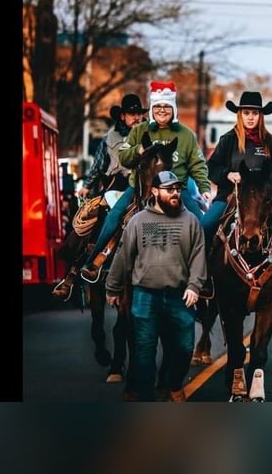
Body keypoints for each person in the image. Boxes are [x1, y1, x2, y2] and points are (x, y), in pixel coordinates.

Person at [80, 81, 212, 283]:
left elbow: (197, 164)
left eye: (166, 107)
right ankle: (94, 262)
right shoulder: (139, 131)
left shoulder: (186, 135)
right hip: (139, 187)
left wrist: (203, 188)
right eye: (157, 107)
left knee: (199, 221)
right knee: (114, 216)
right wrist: (138, 151)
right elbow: (124, 157)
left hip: (177, 190)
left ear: (173, 109)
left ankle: (205, 276)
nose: (161, 111)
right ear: (152, 109)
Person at [200, 91, 272, 296]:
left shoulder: (270, 142)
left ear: (260, 116)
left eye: (254, 113)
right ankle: (203, 277)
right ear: (240, 115)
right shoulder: (228, 140)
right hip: (231, 195)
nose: (250, 117)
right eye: (246, 113)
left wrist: (265, 185)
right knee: (204, 226)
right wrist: (228, 174)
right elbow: (211, 167)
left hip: (264, 198)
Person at [105, 170, 206, 402]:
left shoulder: (190, 220)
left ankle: (173, 384)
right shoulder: (139, 221)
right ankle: (147, 397)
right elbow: (123, 256)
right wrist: (113, 288)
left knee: (184, 348)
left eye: (178, 189)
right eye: (169, 189)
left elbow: (199, 255)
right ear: (154, 191)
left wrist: (194, 286)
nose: (175, 193)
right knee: (144, 352)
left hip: (180, 296)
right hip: (145, 296)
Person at [53, 94, 148, 299]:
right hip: (117, 183)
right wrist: (87, 186)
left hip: (146, 183)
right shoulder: (109, 138)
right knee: (97, 219)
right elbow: (98, 166)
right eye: (132, 114)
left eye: (139, 114)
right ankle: (82, 266)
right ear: (122, 116)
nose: (137, 118)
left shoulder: (150, 133)